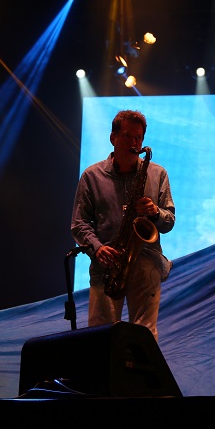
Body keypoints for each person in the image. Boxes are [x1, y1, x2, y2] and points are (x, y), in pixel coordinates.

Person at [71, 109, 175, 342]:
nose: (134, 142)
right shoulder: (92, 176)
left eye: (138, 137)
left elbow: (169, 221)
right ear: (113, 138)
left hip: (146, 262)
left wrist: (155, 211)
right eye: (127, 136)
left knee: (145, 336)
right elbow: (78, 224)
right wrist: (97, 248)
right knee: (101, 337)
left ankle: (142, 379)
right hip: (108, 265)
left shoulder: (158, 173)